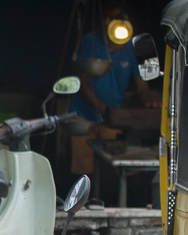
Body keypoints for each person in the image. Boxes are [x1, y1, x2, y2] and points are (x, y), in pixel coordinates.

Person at [68, 3, 161, 183]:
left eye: (117, 19)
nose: (111, 22)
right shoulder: (90, 42)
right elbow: (81, 83)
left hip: (113, 116)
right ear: (105, 21)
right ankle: (84, 205)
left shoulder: (136, 48)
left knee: (122, 165)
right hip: (83, 115)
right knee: (85, 171)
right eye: (109, 19)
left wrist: (148, 102)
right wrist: (102, 109)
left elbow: (142, 87)